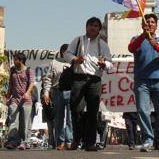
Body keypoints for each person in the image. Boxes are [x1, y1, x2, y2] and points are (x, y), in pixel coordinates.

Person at [64, 16, 113, 152]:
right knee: (76, 110)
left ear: (99, 29)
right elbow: (66, 54)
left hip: (94, 79)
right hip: (78, 78)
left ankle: (90, 142)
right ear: (86, 27)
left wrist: (104, 63)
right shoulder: (78, 40)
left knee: (93, 112)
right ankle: (76, 139)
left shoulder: (103, 44)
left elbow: (110, 64)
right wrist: (75, 59)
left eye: (96, 26)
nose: (93, 27)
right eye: (91, 25)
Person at [127, 13, 159, 152]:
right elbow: (131, 48)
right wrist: (143, 37)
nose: (150, 24)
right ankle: (148, 139)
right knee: (143, 111)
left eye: (153, 22)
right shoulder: (137, 39)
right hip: (142, 81)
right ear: (143, 25)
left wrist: (155, 45)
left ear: (156, 25)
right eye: (147, 22)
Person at [41, 43, 73, 150]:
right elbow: (48, 79)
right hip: (57, 92)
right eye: (66, 52)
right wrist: (46, 93)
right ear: (61, 52)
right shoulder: (54, 63)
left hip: (71, 92)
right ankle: (60, 141)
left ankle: (69, 141)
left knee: (70, 119)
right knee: (59, 119)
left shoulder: (74, 63)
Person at [5, 52, 35, 150]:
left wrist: (27, 93)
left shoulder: (29, 70)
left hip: (26, 99)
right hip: (14, 99)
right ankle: (12, 141)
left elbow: (31, 83)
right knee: (13, 120)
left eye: (15, 59)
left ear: (21, 60)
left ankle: (25, 142)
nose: (13, 61)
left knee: (25, 122)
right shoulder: (13, 70)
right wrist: (8, 95)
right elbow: (10, 83)